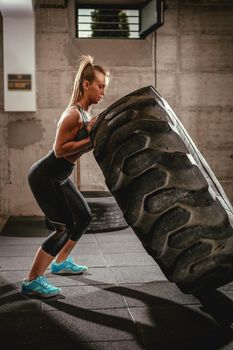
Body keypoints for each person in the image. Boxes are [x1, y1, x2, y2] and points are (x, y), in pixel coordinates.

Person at [21, 55, 109, 298]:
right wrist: (90, 139)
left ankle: (60, 262)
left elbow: (81, 145)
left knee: (83, 216)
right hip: (45, 176)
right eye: (100, 86)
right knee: (63, 228)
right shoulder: (73, 114)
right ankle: (32, 280)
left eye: (104, 87)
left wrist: (92, 137)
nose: (103, 92)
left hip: (58, 176)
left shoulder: (86, 115)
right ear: (86, 85)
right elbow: (60, 150)